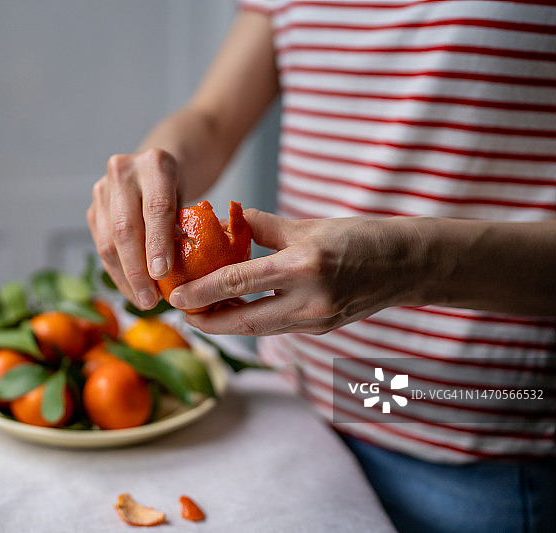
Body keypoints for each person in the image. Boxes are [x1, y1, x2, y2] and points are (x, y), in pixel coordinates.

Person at [87, 1, 556, 532]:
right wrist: (152, 173)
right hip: (291, 406)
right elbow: (213, 119)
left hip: (472, 437)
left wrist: (410, 263)